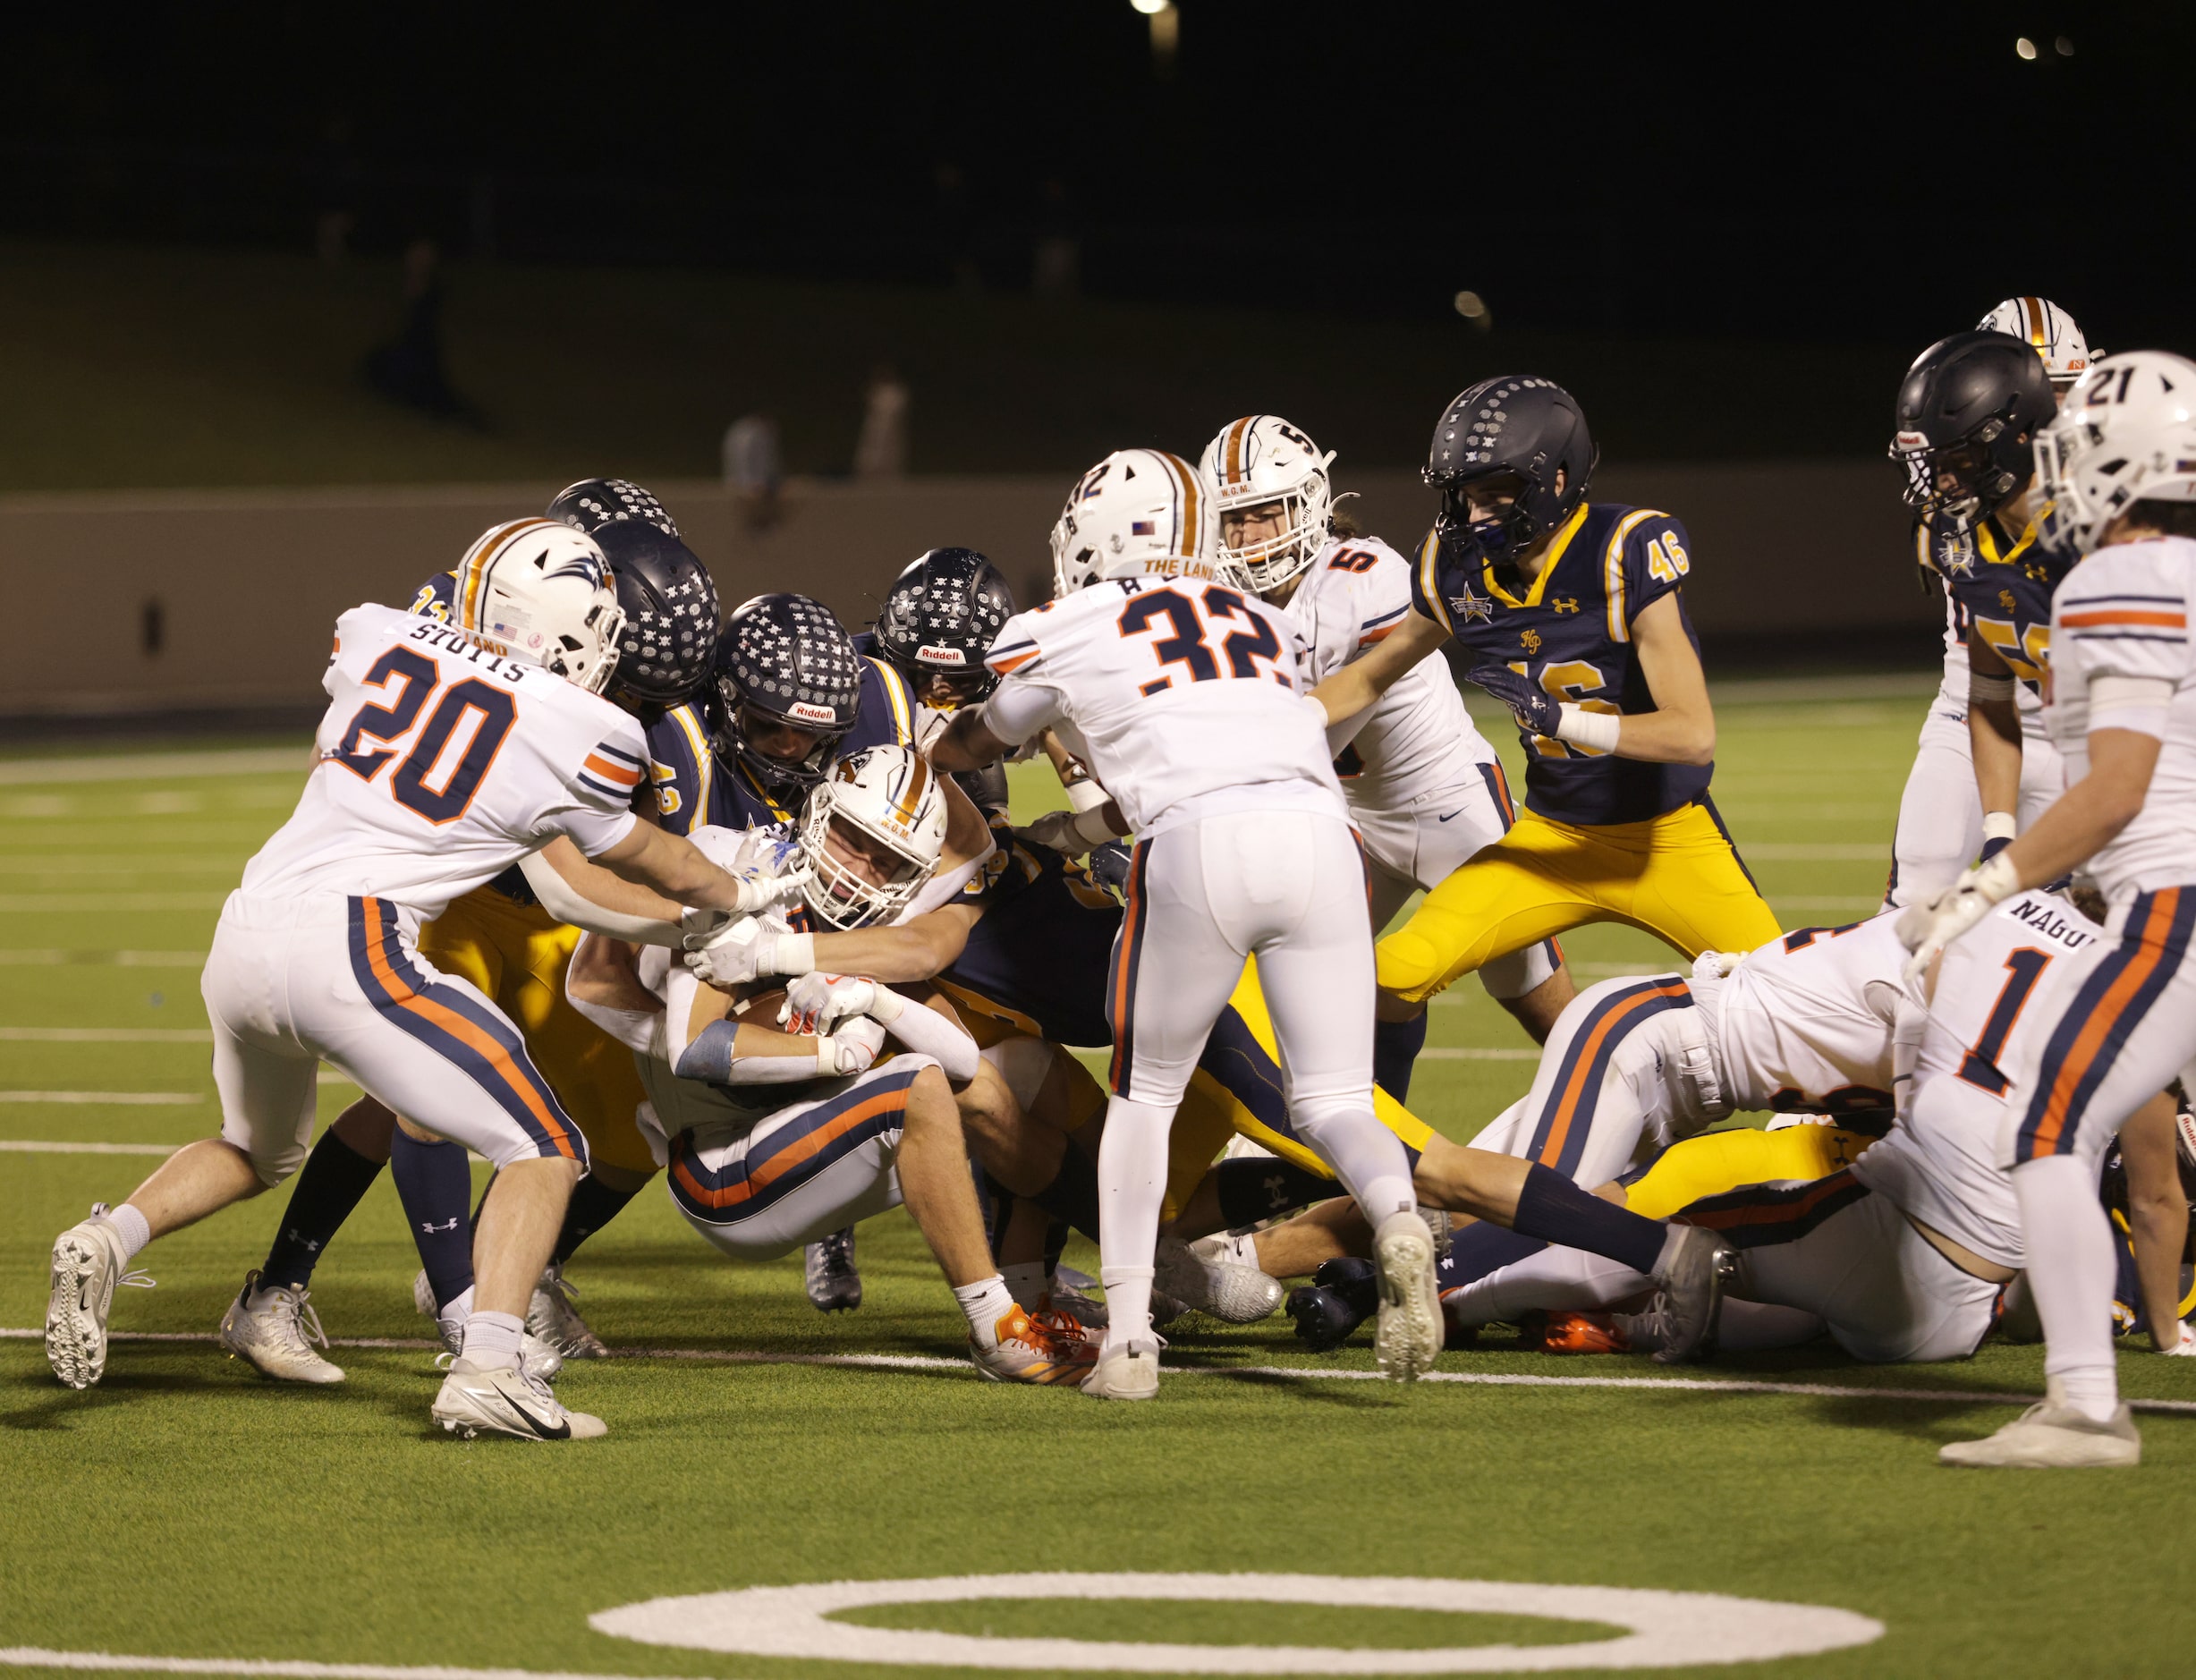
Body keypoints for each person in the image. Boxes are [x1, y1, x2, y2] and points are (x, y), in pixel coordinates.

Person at [929, 447, 1738, 1393]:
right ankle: (1392, 1221)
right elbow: (1258, 734)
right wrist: (1077, 823)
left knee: (1149, 1098)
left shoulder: (1065, 622)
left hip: (1210, 853)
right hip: (1321, 841)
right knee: (1341, 1106)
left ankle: (1131, 1343)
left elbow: (993, 732)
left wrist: (943, 754)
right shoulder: (1250, 618)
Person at [44, 519, 792, 1440]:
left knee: (259, 1148)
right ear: (565, 631)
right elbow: (653, 859)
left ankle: (108, 1239)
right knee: (547, 1145)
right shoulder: (580, 726)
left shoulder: (375, 633)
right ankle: (489, 1368)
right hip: (355, 945)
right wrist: (740, 889)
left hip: (244, 931)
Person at [212, 479, 723, 1379]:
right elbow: (564, 874)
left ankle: (528, 1272)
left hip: (540, 900)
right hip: (455, 889)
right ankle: (447, 1308)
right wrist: (706, 913)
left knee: (632, 1116)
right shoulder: (464, 625)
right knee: (419, 1101)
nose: (631, 697)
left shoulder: (606, 670)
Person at [572, 748, 1095, 1384]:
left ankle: (1057, 1285)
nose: (859, 870)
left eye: (889, 862)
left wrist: (873, 996)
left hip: (806, 1140)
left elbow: (959, 1054)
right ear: (819, 813)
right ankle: (996, 1331)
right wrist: (832, 1051)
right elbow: (695, 1048)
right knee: (913, 1086)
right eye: (852, 839)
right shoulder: (739, 878)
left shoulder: (868, 925)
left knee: (1025, 1066)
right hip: (726, 1171)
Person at [1900, 349, 2196, 1467]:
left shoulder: (2120, 577)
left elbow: (2115, 794)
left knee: (2047, 1127)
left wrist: (1987, 881)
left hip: (2176, 903)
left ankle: (2081, 1404)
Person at [1307, 377, 1780, 1041]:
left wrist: (1563, 721)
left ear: (1558, 479)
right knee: (1386, 975)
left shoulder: (1620, 549)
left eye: (1495, 493)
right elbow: (1367, 677)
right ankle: (1374, 1143)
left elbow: (1691, 734)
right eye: (1465, 496)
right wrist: (1282, 728)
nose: (1475, 517)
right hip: (1551, 841)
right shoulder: (1455, 566)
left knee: (1793, 1009)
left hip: (1668, 840)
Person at [1196, 412, 1573, 1094]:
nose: (1247, 536)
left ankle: (1635, 1118)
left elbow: (1319, 726)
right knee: (1282, 991)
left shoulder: (1365, 575)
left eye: (1264, 514)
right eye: (1233, 520)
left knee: (1535, 999)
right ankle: (1360, 1149)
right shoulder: (1218, 602)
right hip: (1348, 819)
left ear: (1307, 504)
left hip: (1446, 802)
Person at [1883, 326, 2073, 906]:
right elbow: (1989, 692)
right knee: (1910, 915)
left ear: (2014, 438)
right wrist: (1998, 834)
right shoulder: (1955, 535)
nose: (1939, 483)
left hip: (2127, 750)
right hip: (2009, 731)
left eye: (1957, 460)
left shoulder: (2095, 532)